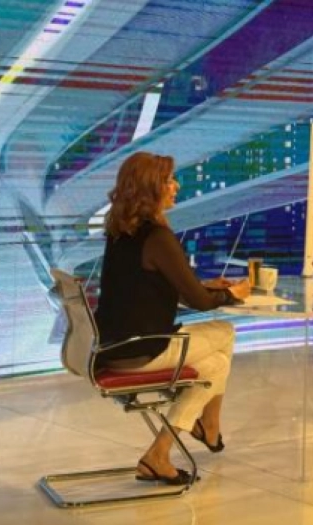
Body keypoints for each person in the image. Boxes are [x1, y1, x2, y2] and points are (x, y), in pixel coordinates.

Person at [94, 151, 253, 484]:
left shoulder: (121, 232)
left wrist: (204, 286)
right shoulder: (157, 237)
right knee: (224, 331)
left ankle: (168, 449)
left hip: (111, 347)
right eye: (168, 180)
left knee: (215, 365)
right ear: (151, 188)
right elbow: (199, 302)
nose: (176, 186)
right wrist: (233, 294)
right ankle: (205, 426)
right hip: (142, 350)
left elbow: (148, 286)